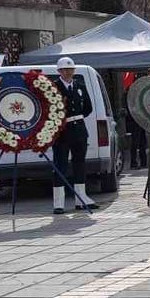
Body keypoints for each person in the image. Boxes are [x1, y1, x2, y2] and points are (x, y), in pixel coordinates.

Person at [51, 57, 98, 213]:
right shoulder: (54, 87)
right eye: (65, 70)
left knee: (80, 164)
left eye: (70, 70)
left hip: (78, 129)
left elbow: (88, 108)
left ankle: (81, 198)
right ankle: (59, 202)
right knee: (60, 165)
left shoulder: (79, 85)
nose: (68, 72)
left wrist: (76, 118)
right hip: (62, 131)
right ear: (59, 71)